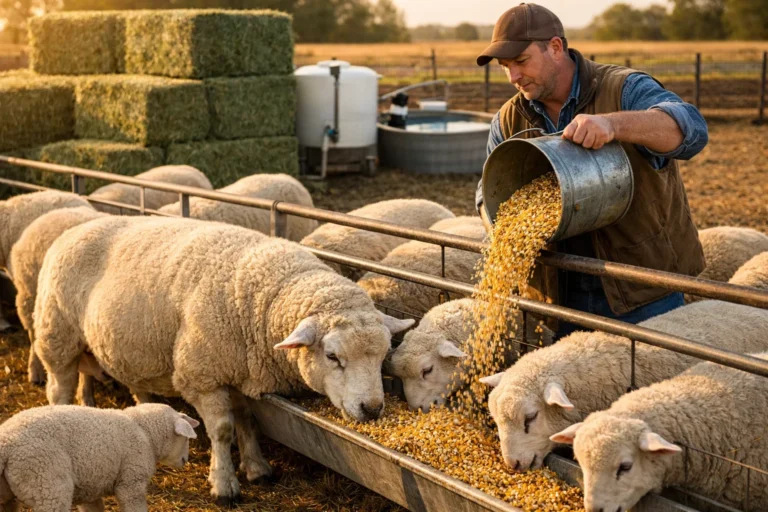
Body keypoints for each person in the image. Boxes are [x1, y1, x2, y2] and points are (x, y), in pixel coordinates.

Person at [474, 3, 708, 338]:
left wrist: (612, 125)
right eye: (505, 67)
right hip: (558, 296)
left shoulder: (622, 88)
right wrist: (501, 228)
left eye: (521, 62)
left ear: (555, 47)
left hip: (640, 291)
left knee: (649, 385)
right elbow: (488, 193)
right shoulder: (509, 119)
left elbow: (691, 130)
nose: (513, 77)